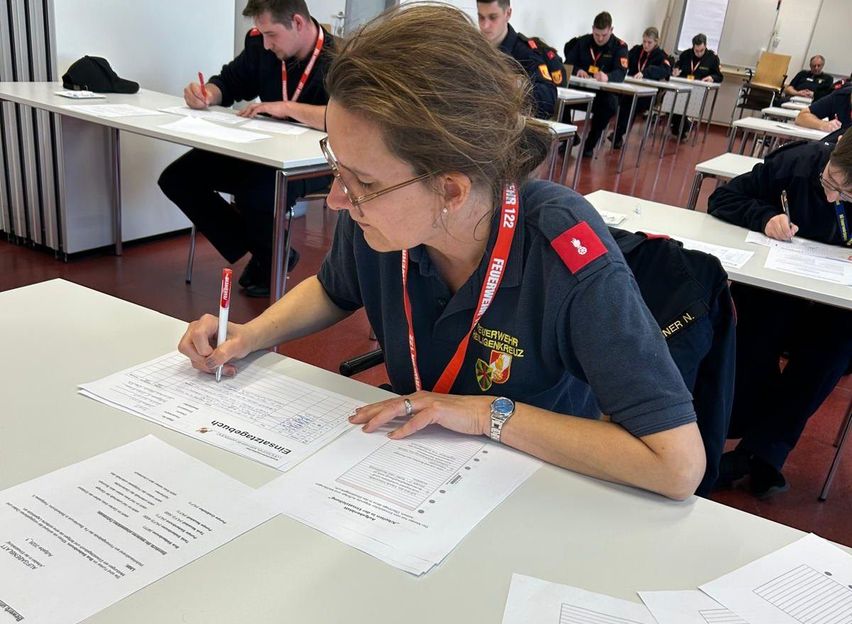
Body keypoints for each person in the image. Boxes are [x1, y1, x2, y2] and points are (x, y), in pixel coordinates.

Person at [179, 3, 705, 501]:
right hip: (410, 469)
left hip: (531, 482)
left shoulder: (559, 247)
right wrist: (249, 336)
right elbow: (333, 289)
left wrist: (484, 415)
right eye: (336, 167)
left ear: (451, 191)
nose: (338, 200)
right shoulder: (380, 221)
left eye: (360, 180)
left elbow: (676, 464)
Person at [707, 129, 852, 497]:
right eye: (831, 181)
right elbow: (722, 198)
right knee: (754, 329)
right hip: (776, 291)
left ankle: (760, 452)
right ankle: (753, 439)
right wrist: (763, 215)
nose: (833, 196)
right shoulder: (796, 164)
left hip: (836, 308)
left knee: (834, 350)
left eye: (848, 195)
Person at [158, 0, 334, 298]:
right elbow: (230, 82)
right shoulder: (259, 47)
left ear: (298, 23)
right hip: (262, 151)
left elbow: (345, 117)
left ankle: (268, 258)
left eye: (272, 35)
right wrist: (207, 94)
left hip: (315, 161)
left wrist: (288, 108)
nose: (266, 44)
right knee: (178, 178)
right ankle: (271, 254)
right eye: (261, 34)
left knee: (255, 193)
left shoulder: (339, 58)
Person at [476, 0, 557, 119]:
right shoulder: (473, 46)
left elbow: (549, 98)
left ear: (507, 14)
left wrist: (519, 87)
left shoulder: (526, 53)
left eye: (493, 17)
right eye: (481, 17)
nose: (485, 26)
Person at [564, 11, 629, 157]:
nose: (600, 38)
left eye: (604, 35)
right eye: (597, 34)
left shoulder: (620, 47)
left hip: (602, 94)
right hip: (580, 90)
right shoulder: (583, 42)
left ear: (611, 30)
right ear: (592, 28)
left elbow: (621, 72)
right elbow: (567, 63)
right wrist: (578, 69)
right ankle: (570, 137)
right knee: (558, 97)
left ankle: (590, 144)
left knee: (610, 105)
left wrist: (608, 76)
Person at [609, 26, 670, 149]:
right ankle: (616, 134)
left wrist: (646, 72)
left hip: (648, 94)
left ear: (656, 41)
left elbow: (666, 70)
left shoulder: (661, 55)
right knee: (612, 99)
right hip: (630, 89)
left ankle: (618, 134)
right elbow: (623, 61)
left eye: (649, 42)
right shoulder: (636, 50)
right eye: (644, 41)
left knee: (630, 103)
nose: (646, 45)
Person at [671, 33, 723, 138]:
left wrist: (712, 78)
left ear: (706, 46)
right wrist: (675, 70)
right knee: (673, 107)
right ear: (693, 47)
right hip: (682, 87)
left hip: (698, 90)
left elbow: (719, 76)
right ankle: (681, 128)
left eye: (701, 50)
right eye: (696, 51)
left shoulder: (712, 58)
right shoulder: (685, 54)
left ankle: (684, 128)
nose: (699, 53)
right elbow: (677, 65)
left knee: (685, 111)